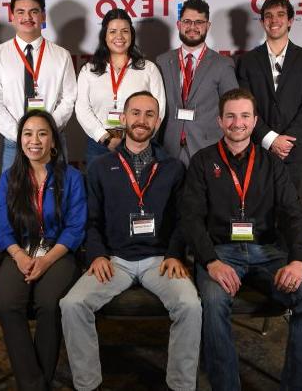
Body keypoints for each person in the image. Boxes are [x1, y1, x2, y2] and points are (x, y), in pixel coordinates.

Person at [181, 88, 302, 391]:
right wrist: (212, 262)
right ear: (219, 121)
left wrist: (298, 260)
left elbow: (293, 214)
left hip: (267, 252)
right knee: (213, 299)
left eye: (245, 115)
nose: (238, 122)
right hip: (220, 252)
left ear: (255, 120)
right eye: (230, 116)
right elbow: (191, 219)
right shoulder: (203, 162)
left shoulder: (272, 164)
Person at [61, 91, 201, 391]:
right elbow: (91, 220)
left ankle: (182, 385)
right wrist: (96, 255)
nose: (141, 120)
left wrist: (175, 254)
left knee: (190, 305)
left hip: (160, 260)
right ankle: (87, 385)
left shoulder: (174, 167)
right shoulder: (100, 167)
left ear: (158, 121)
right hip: (114, 261)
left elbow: (182, 220)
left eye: (149, 114)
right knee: (72, 305)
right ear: (123, 118)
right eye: (135, 113)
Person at [0, 110, 86, 391]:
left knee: (49, 304)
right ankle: (34, 385)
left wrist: (46, 261)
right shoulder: (10, 178)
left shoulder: (72, 178)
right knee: (8, 303)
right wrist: (20, 256)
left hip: (58, 252)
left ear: (53, 142)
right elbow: (1, 225)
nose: (35, 140)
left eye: (42, 134)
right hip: (20, 250)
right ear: (20, 140)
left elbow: (75, 227)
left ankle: (39, 381)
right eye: (28, 133)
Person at [236, 0, 302, 209]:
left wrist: (286, 142)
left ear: (291, 21)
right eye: (268, 16)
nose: (274, 20)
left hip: (295, 152)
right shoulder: (246, 61)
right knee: (256, 211)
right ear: (263, 22)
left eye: (280, 15)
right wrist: (271, 139)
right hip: (257, 149)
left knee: (292, 214)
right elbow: (245, 106)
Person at [0, 0, 78, 171]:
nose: (27, 17)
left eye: (34, 11)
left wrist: (47, 131)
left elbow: (69, 98)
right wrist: (21, 135)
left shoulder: (61, 55)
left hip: (53, 142)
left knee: (58, 196)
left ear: (43, 16)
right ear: (12, 17)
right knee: (14, 197)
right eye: (21, 12)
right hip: (14, 143)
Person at [75, 8, 166, 166]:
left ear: (131, 35)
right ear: (104, 35)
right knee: (98, 190)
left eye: (125, 31)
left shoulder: (148, 69)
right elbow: (82, 109)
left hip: (139, 144)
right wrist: (105, 138)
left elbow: (159, 108)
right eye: (113, 31)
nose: (119, 37)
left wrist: (138, 139)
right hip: (99, 146)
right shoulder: (89, 70)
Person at [156, 0, 238, 166]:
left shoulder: (223, 64)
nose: (192, 27)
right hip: (168, 149)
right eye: (187, 21)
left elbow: (233, 109)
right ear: (179, 25)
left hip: (207, 149)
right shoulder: (162, 61)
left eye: (199, 22)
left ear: (208, 26)